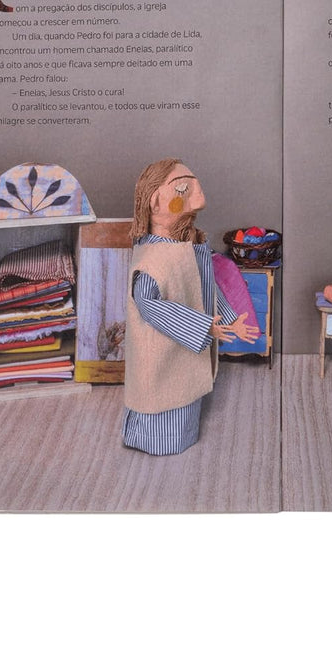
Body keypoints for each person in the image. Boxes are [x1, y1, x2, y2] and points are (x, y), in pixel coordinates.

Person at [122, 158, 258, 455]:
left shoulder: (187, 247)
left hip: (185, 347)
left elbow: (205, 287)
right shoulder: (152, 259)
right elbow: (147, 304)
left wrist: (229, 320)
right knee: (162, 394)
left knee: (185, 388)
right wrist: (204, 326)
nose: (198, 198)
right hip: (161, 349)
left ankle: (182, 433)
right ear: (155, 201)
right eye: (183, 189)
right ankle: (153, 440)